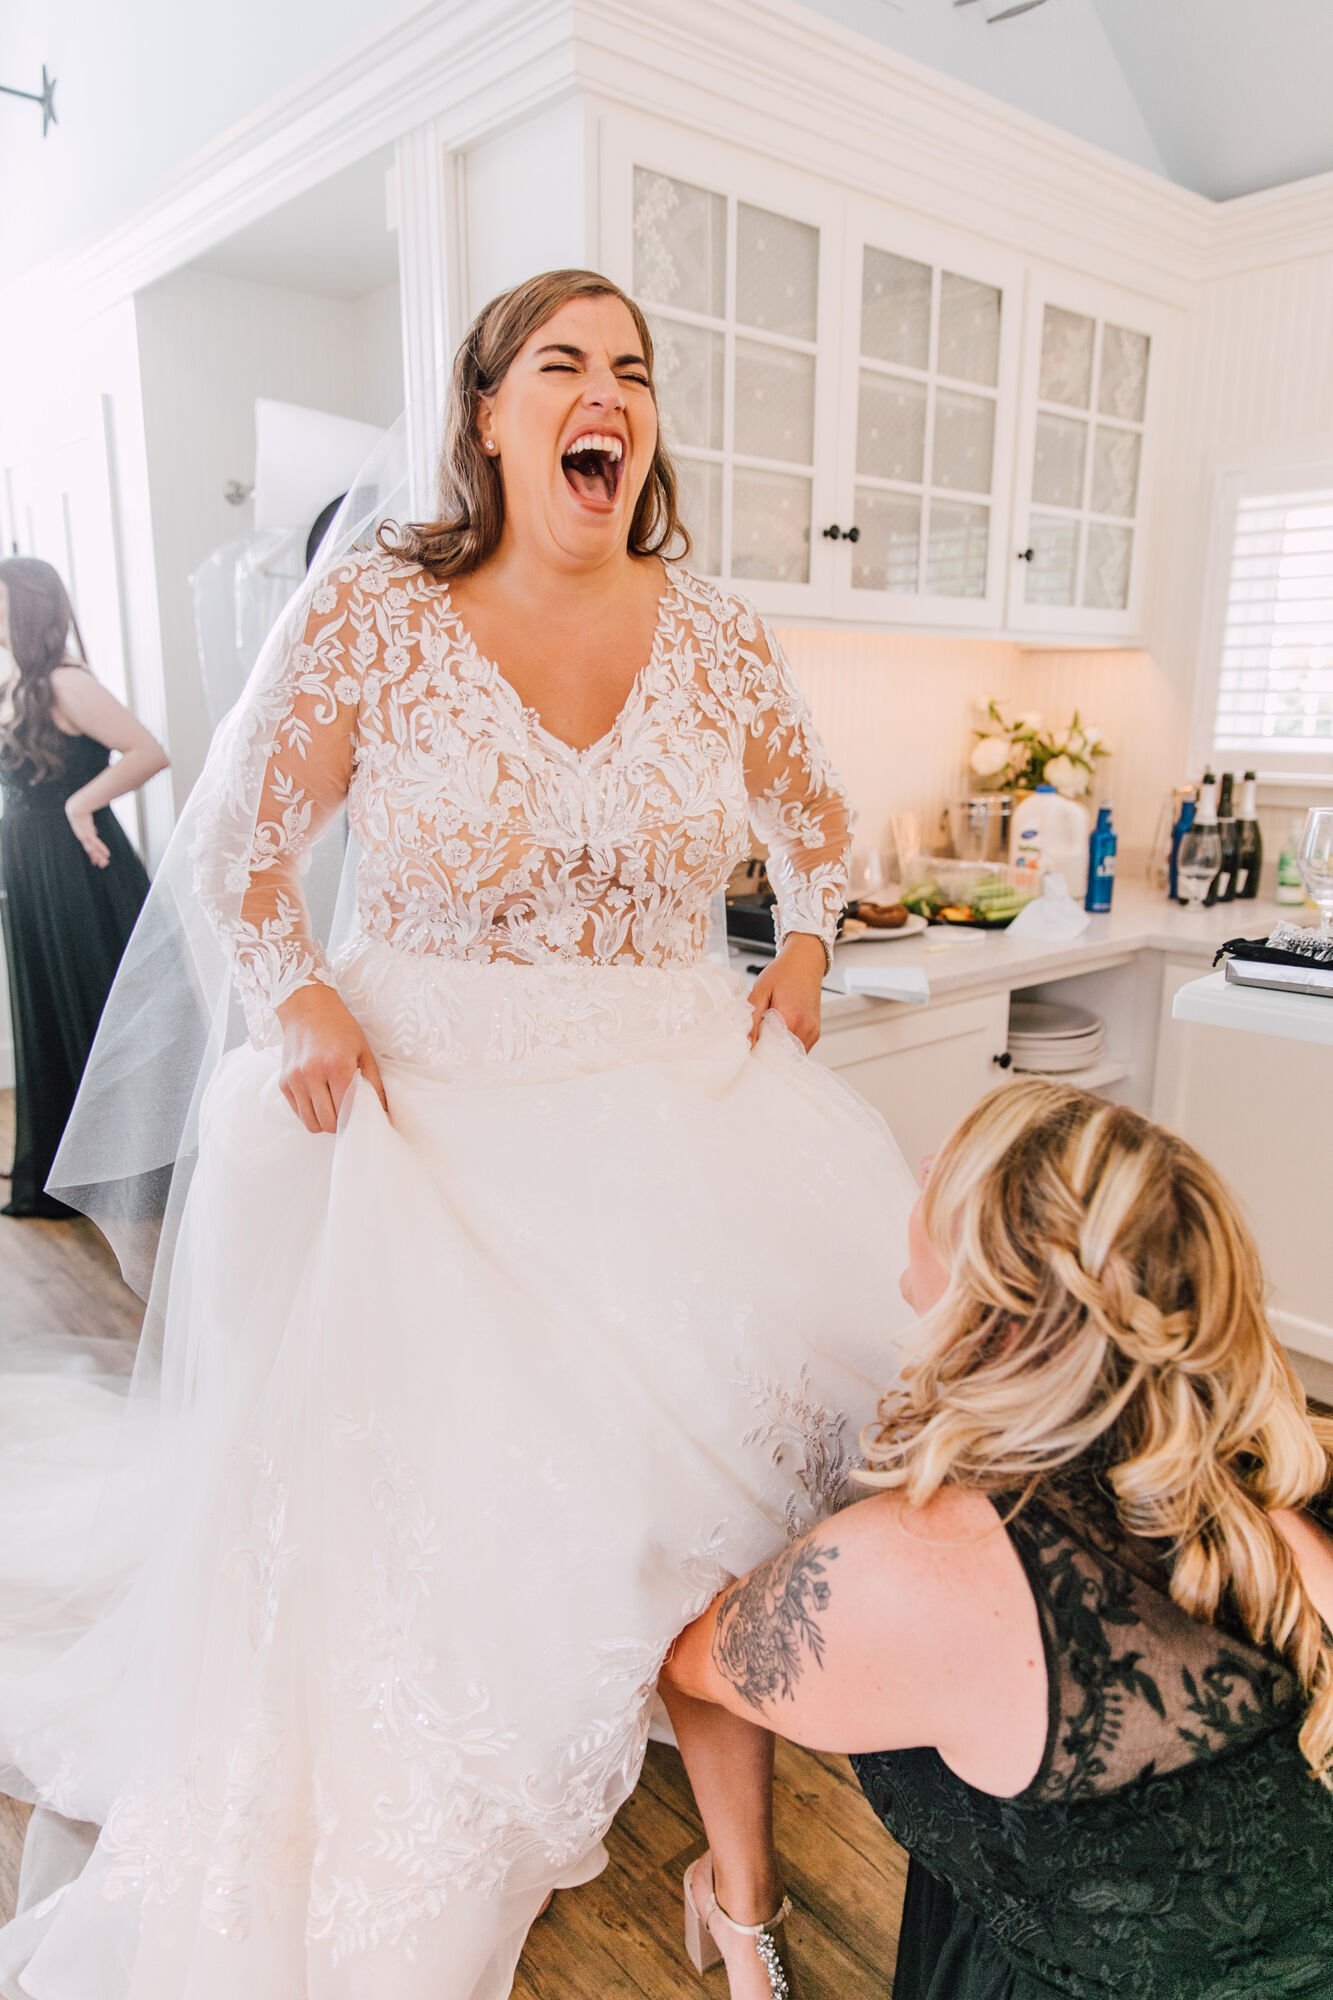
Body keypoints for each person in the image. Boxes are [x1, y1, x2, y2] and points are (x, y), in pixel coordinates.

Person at [0, 269, 919, 1999]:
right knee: (435, 1562)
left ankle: (739, 1896)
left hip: (678, 1130)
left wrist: (797, 960)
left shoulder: (712, 628)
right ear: (487, 411)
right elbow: (233, 857)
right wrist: (302, 996)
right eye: (564, 364)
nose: (609, 394)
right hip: (425, 1141)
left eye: (633, 370)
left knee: (719, 1530)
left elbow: (814, 830)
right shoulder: (378, 615)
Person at [664, 1076, 1333, 1998]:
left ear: (998, 1301)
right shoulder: (1285, 1471)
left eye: (948, 1167)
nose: (920, 1165)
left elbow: (692, 1659)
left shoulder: (922, 1571)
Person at [0, 558, 165, 1216]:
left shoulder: (68, 681)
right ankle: (67, 1174)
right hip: (32, 868)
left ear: (27, 609)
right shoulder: (21, 681)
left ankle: (132, 1176)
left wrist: (78, 805)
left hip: (74, 866)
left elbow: (148, 750)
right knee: (49, 1004)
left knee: (96, 1007)